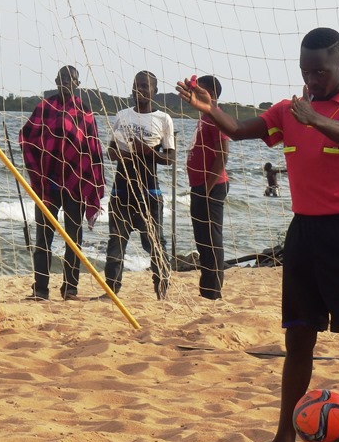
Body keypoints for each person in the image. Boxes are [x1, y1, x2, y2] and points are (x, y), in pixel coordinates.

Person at [176, 27, 339, 442]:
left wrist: (316, 119)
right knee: (299, 338)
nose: (312, 79)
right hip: (304, 234)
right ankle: (284, 432)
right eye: (305, 71)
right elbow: (242, 130)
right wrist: (211, 111)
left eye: (320, 71)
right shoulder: (288, 109)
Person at [19, 64, 105, 301]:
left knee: (73, 240)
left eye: (71, 79)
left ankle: (70, 289)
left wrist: (92, 182)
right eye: (62, 78)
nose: (66, 82)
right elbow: (28, 136)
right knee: (43, 238)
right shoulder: (44, 108)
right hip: (47, 185)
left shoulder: (85, 113)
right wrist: (37, 170)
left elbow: (93, 150)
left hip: (75, 186)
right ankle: (40, 289)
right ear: (56, 81)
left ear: (77, 84)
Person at [101, 70, 175, 300]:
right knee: (116, 241)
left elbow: (170, 158)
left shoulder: (163, 119)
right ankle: (111, 290)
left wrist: (147, 151)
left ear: (154, 91)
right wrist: (122, 153)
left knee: (154, 243)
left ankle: (161, 290)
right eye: (136, 86)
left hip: (149, 193)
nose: (139, 90)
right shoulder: (122, 115)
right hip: (121, 190)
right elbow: (111, 150)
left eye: (144, 86)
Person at [186, 75, 230, 300]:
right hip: (200, 186)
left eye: (198, 89)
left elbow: (223, 156)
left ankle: (213, 292)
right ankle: (207, 290)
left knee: (212, 240)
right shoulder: (204, 116)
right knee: (202, 240)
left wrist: (207, 188)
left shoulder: (215, 116)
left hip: (211, 187)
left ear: (210, 93)